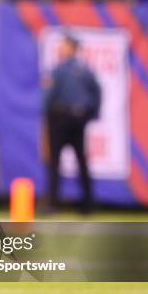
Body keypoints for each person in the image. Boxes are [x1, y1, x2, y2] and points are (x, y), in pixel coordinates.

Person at [44, 34, 101, 213]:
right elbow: (96, 93)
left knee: (56, 161)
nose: (60, 49)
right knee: (80, 160)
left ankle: (54, 203)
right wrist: (90, 114)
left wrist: (45, 115)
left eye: (64, 45)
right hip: (77, 118)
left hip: (60, 118)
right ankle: (87, 204)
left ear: (72, 48)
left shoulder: (60, 70)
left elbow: (49, 96)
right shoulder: (84, 70)